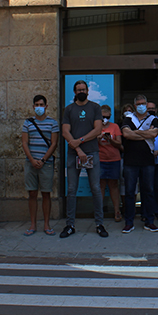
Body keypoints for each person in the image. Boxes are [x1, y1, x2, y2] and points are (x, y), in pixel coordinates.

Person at [60, 80, 107, 238]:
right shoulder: (69, 109)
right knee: (72, 189)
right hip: (74, 154)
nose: (81, 91)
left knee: (95, 188)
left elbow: (98, 129)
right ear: (74, 92)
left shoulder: (94, 107)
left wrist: (79, 141)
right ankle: (70, 225)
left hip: (91, 152)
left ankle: (99, 224)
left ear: (87, 91)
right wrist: (78, 149)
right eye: (78, 89)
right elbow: (65, 132)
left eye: (83, 89)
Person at [20, 94, 59, 236]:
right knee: (32, 193)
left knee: (46, 194)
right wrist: (31, 160)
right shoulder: (28, 123)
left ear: (46, 106)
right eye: (36, 105)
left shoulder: (53, 123)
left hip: (46, 164)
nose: (39, 107)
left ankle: (47, 224)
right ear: (33, 106)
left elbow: (54, 143)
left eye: (41, 105)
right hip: (31, 163)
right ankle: (32, 224)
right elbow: (24, 143)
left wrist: (43, 160)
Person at [121, 95, 158, 233]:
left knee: (148, 191)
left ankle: (149, 221)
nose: (141, 105)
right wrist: (144, 133)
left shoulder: (153, 119)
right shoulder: (128, 119)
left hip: (147, 161)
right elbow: (126, 134)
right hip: (130, 161)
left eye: (143, 103)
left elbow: (153, 134)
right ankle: (129, 222)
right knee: (130, 192)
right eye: (138, 104)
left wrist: (135, 132)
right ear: (135, 105)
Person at [98, 104, 123, 222]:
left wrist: (110, 139)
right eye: (103, 116)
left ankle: (117, 211)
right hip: (100, 159)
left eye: (107, 116)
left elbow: (119, 144)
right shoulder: (95, 127)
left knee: (113, 186)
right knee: (101, 186)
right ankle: (99, 212)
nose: (105, 119)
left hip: (114, 159)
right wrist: (97, 138)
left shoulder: (115, 127)